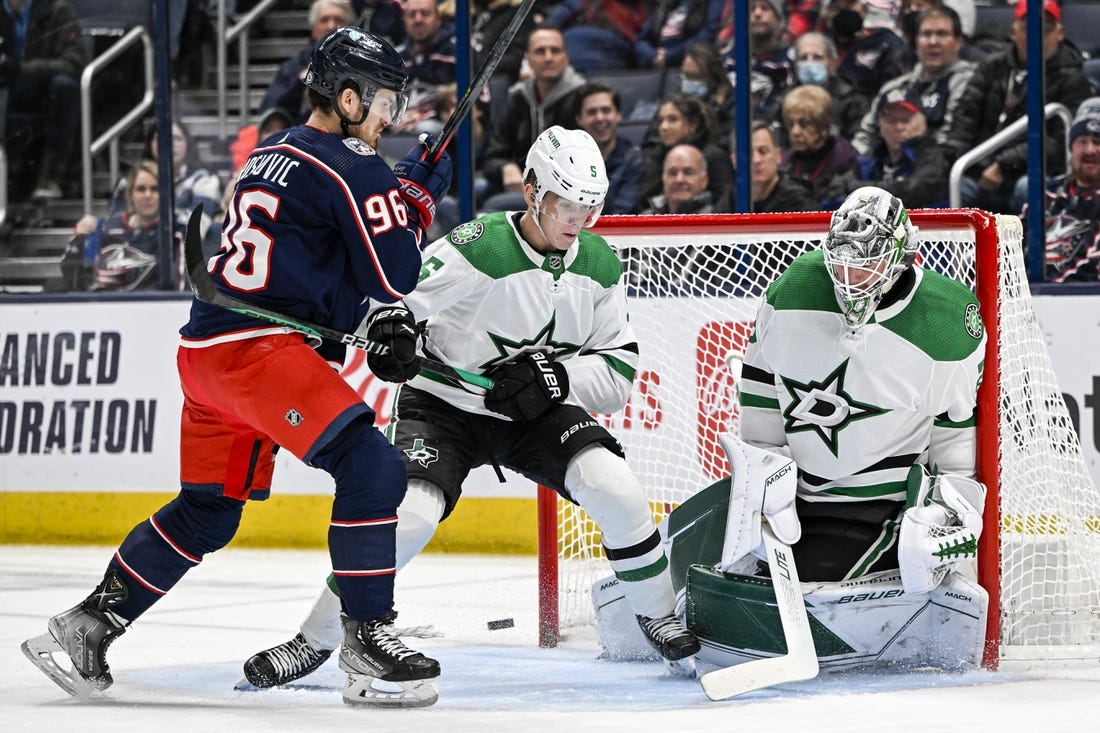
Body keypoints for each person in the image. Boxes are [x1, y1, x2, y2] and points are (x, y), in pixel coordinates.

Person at [21, 26, 454, 709]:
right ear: (346, 96)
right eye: (382, 102)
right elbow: (393, 271)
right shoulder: (356, 164)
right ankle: (367, 641)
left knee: (206, 514)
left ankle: (87, 624)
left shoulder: (271, 153)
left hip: (205, 354)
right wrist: (414, 206)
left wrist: (399, 195)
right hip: (258, 353)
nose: (388, 118)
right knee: (373, 466)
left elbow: (316, 258)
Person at [239, 126, 700, 690]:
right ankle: (313, 641)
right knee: (408, 515)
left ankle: (657, 615)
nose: (577, 219)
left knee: (617, 488)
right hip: (443, 405)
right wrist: (391, 333)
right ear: (532, 192)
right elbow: (389, 300)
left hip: (534, 412)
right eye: (565, 203)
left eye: (589, 206)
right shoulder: (478, 246)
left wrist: (558, 378)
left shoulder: (599, 265)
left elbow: (618, 371)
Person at [662, 186, 990, 671]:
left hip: (877, 508)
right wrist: (763, 467)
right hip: (797, 495)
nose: (849, 278)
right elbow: (758, 378)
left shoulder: (945, 321)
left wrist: (944, 520)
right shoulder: (796, 287)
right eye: (841, 262)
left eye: (866, 264)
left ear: (901, 256)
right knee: (670, 563)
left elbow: (956, 438)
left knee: (779, 588)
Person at [948, 0, 1092, 214]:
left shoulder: (1072, 76)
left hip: (1035, 171)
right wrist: (965, 161)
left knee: (1027, 187)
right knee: (952, 182)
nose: (1036, 35)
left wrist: (1004, 165)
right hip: (982, 169)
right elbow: (965, 118)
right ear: (1013, 32)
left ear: (1060, 33)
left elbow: (1061, 141)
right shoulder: (991, 67)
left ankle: (1028, 247)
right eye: (1028, 28)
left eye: (1045, 29)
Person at [480, 26, 586, 206]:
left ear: (566, 57)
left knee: (495, 205)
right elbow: (493, 154)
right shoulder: (517, 98)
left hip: (567, 192)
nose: (548, 58)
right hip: (523, 186)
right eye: (540, 51)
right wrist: (504, 167)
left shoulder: (582, 97)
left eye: (555, 50)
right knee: (477, 190)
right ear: (528, 59)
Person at [851, 4, 974, 157]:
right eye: (926, 34)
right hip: (884, 171)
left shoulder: (969, 84)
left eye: (942, 34)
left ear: (958, 42)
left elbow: (952, 140)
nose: (933, 42)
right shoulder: (894, 87)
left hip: (933, 171)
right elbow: (864, 137)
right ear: (916, 41)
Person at [0, 0, 85, 200]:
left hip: (44, 91)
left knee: (65, 86)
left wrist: (21, 70)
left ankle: (53, 176)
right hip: (5, 90)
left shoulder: (58, 10)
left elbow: (73, 62)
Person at [60, 160, 174, 292]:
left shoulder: (174, 234)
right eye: (141, 189)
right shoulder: (106, 229)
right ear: (130, 195)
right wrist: (79, 239)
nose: (147, 195)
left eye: (155, 189)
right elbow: (75, 277)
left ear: (165, 194)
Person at [1021, 98, 1100, 283]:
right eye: (1082, 141)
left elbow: (1091, 272)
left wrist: (1049, 291)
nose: (1090, 150)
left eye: (1097, 141)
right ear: (1072, 147)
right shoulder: (1048, 193)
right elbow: (1014, 244)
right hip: (1027, 299)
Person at [843, 87, 952, 208]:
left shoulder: (935, 156)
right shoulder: (872, 159)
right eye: (891, 120)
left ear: (923, 123)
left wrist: (859, 190)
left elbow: (913, 192)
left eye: (906, 120)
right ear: (880, 124)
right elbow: (839, 189)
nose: (899, 127)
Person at [259, 0, 356, 123]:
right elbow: (270, 112)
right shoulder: (294, 67)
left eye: (339, 20)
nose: (331, 26)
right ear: (313, 28)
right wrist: (298, 85)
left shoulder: (367, 65)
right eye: (324, 20)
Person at [638, 94, 733, 212]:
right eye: (660, 120)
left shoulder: (714, 158)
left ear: (693, 124)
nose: (663, 127)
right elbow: (643, 201)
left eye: (672, 119)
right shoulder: (656, 158)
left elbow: (726, 204)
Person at [780, 84, 859, 209]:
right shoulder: (785, 162)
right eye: (790, 124)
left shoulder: (845, 158)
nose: (795, 132)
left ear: (822, 124)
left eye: (804, 123)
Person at [573, 81, 646, 215]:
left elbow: (623, 214)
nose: (600, 118)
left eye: (606, 110)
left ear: (618, 115)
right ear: (579, 119)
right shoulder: (568, 161)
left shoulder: (634, 161)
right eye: (591, 112)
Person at [785, 31, 867, 139]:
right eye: (803, 58)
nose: (809, 63)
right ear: (795, 65)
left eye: (817, 58)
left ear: (833, 63)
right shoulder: (785, 98)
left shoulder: (852, 101)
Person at [393, 0, 456, 134]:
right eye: (411, 15)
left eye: (425, 13)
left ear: (438, 18)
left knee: (426, 129)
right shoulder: (394, 57)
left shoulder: (458, 52)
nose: (418, 19)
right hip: (398, 129)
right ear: (404, 19)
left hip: (440, 130)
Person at [544, 0, 650, 73]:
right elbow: (550, 25)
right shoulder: (582, 2)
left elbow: (644, 47)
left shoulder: (646, 12)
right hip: (571, 63)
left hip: (612, 69)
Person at [749, 121, 818, 213]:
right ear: (733, 159)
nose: (756, 160)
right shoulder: (728, 200)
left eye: (763, 151)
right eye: (748, 154)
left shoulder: (801, 204)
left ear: (778, 155)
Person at [640, 143, 719, 215]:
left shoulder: (718, 221)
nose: (679, 179)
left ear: (704, 180)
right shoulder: (644, 219)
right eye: (673, 173)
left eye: (688, 173)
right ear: (663, 178)